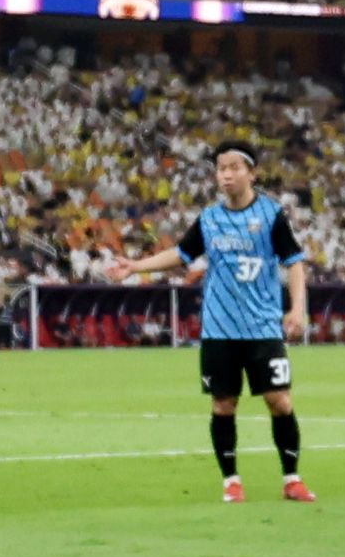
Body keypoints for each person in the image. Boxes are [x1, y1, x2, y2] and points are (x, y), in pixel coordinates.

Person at [117, 142, 315, 503]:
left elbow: (295, 262)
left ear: (251, 173)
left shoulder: (271, 215)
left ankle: (292, 478)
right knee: (223, 404)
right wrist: (136, 267)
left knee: (279, 401)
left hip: (263, 327)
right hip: (219, 330)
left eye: (234, 167)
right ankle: (231, 481)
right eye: (221, 168)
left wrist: (297, 309)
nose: (226, 174)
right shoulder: (209, 218)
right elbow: (181, 253)